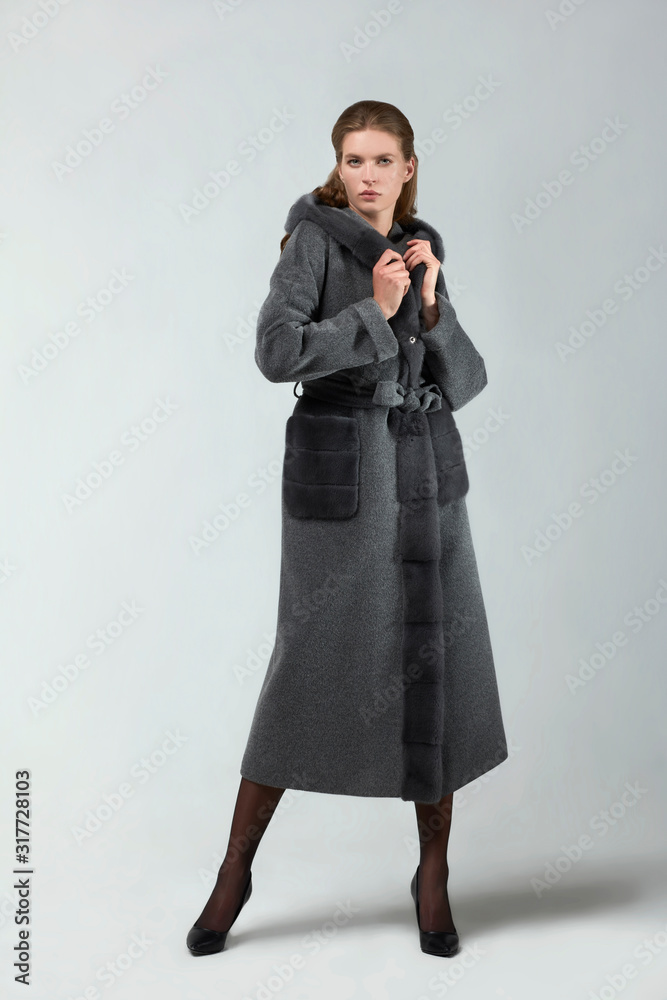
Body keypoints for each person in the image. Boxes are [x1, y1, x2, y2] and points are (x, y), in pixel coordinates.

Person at [186, 99, 508, 959]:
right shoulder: (313, 241)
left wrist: (429, 303)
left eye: (381, 160)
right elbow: (274, 352)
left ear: (408, 168)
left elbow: (468, 382)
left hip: (424, 477)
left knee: (433, 662)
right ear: (339, 165)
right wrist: (374, 308)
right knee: (307, 663)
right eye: (353, 159)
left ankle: (432, 872)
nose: (366, 174)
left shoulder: (418, 247)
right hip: (344, 482)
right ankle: (234, 871)